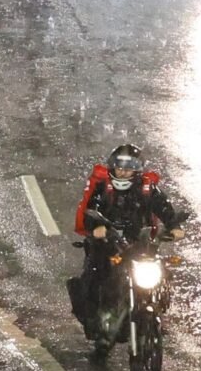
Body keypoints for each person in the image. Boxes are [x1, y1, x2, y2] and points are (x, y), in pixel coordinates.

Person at [71, 144, 190, 339]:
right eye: (119, 166)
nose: (124, 171)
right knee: (95, 274)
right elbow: (92, 208)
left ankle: (157, 309)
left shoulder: (147, 188)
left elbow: (164, 207)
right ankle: (94, 319)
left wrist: (174, 226)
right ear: (112, 167)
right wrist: (96, 227)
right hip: (108, 244)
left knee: (162, 272)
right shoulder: (103, 188)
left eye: (130, 167)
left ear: (138, 169)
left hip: (139, 244)